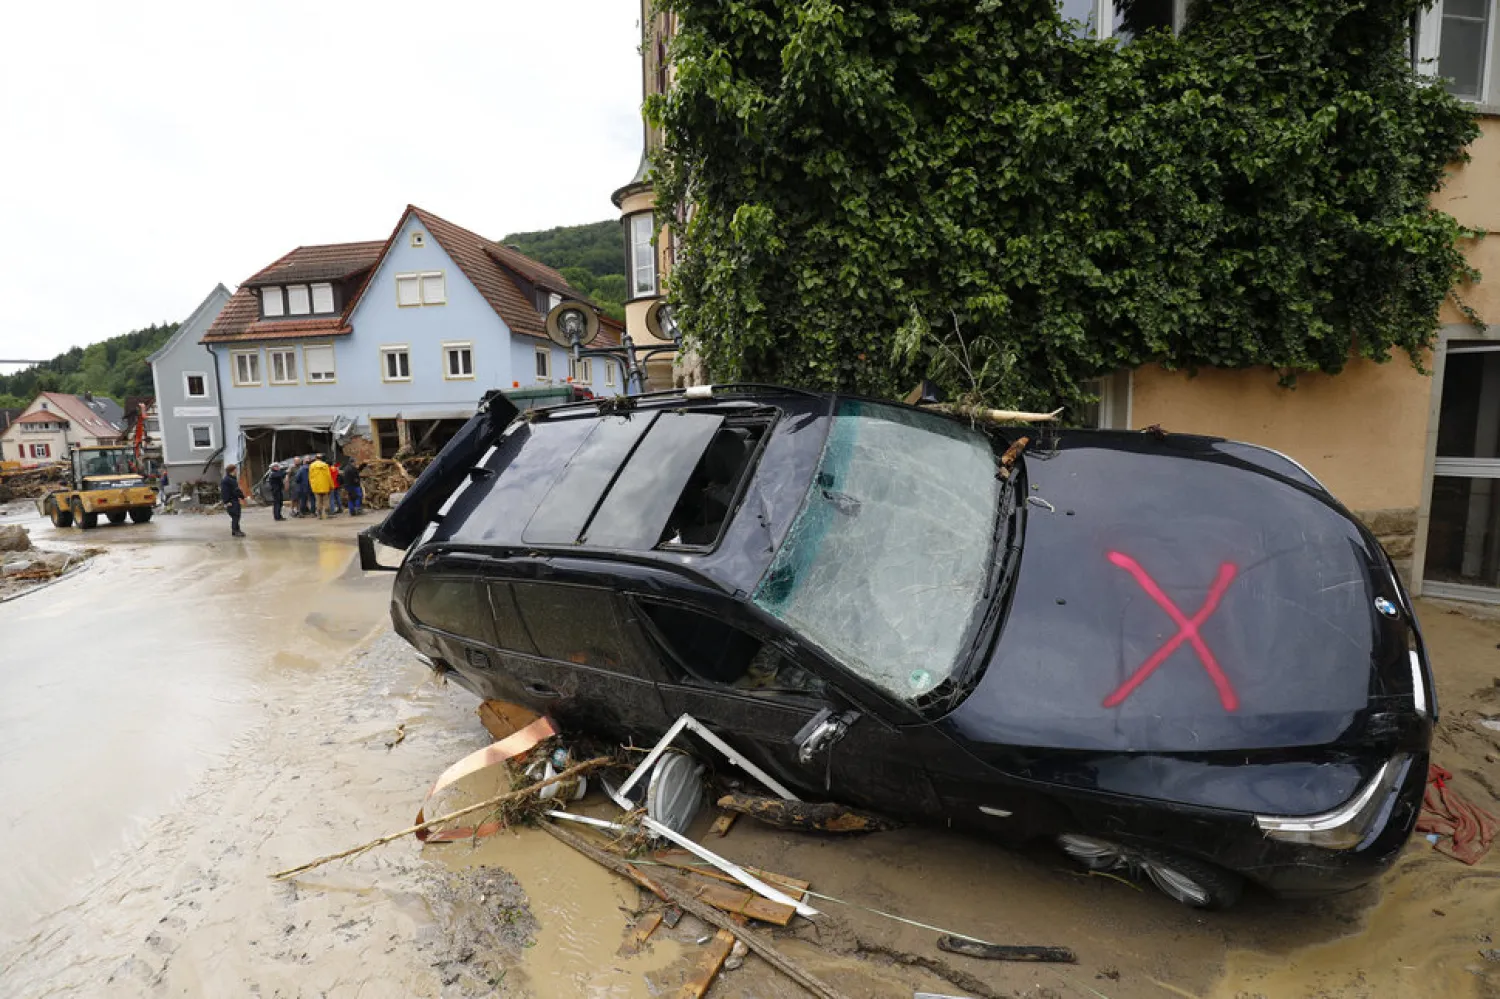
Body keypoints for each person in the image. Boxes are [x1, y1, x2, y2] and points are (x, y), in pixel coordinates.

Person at [221, 463, 245, 538]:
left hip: (235, 500)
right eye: (235, 470)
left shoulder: (232, 479)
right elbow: (224, 492)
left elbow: (236, 490)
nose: (236, 471)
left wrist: (241, 496)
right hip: (231, 501)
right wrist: (227, 502)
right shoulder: (227, 480)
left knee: (237, 516)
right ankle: (235, 531)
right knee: (235, 516)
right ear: (232, 470)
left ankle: (237, 530)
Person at [308, 453, 333, 519]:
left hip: (316, 487)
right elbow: (329, 477)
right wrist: (331, 486)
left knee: (318, 501)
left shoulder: (312, 466)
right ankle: (327, 514)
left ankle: (319, 515)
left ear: (316, 458)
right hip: (325, 486)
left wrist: (312, 486)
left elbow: (310, 477)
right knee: (326, 500)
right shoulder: (325, 465)